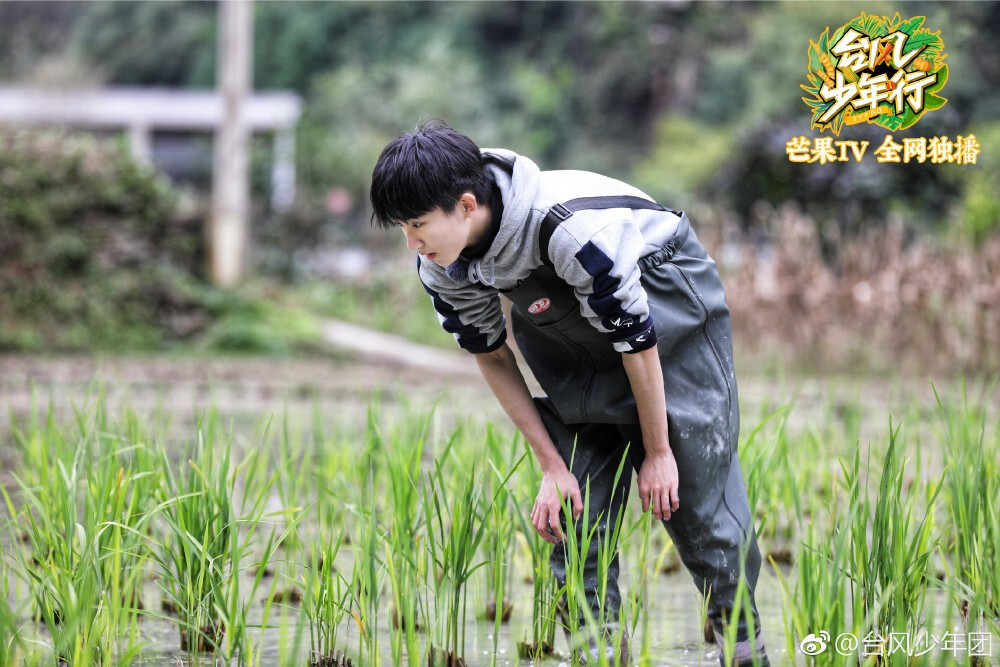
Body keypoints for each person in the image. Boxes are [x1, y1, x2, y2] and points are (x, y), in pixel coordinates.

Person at [369, 120, 769, 667]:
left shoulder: (568, 227)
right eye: (402, 229)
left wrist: (657, 452)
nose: (411, 243)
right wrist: (551, 465)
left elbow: (636, 338)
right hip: (564, 332)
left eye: (417, 225)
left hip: (662, 307)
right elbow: (490, 353)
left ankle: (748, 654)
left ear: (465, 205)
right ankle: (599, 657)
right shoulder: (443, 265)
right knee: (573, 522)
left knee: (700, 510)